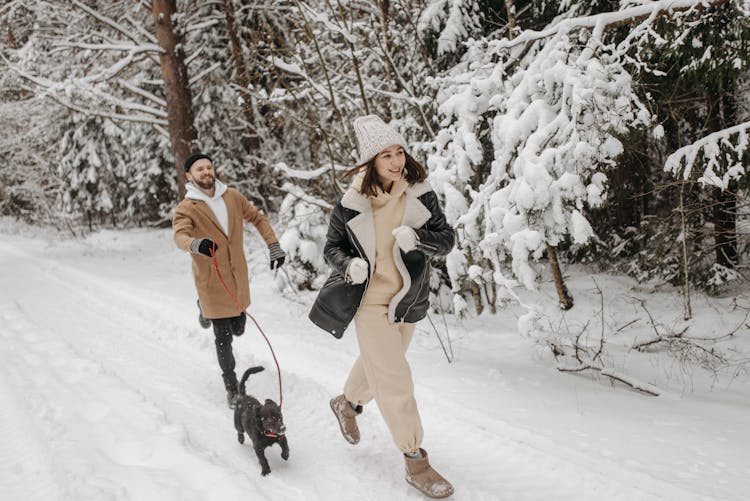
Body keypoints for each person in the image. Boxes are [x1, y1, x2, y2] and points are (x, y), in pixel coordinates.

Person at [309, 115, 455, 498]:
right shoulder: (352, 203)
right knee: (395, 380)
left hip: (406, 299)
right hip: (369, 302)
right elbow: (332, 248)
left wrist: (419, 238)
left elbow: (446, 239)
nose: (395, 162)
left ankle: (347, 403)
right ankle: (415, 459)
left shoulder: (420, 192)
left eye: (399, 152)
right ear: (370, 162)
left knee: (378, 365)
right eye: (385, 155)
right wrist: (349, 264)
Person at [173, 153, 286, 409]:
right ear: (189, 176)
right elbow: (180, 236)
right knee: (223, 338)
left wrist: (274, 245)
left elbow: (257, 217)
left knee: (239, 327)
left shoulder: (232, 197)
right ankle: (231, 387)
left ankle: (203, 309)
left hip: (238, 279)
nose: (206, 171)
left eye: (209, 167)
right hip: (212, 282)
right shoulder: (187, 208)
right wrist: (195, 243)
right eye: (199, 169)